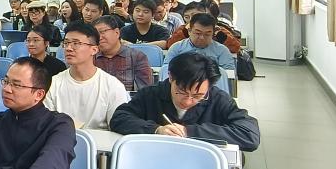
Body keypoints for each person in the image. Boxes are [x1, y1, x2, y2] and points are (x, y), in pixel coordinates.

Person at [110, 52, 260, 151]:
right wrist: (156, 129)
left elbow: (249, 135)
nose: (188, 101)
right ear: (170, 77)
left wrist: (189, 131)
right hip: (156, 160)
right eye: (181, 92)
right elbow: (119, 118)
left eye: (198, 95)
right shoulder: (152, 94)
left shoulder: (218, 99)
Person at [44, 21, 128, 130]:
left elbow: (119, 125)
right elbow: (47, 125)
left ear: (94, 49)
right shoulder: (53, 84)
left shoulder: (113, 86)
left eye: (76, 43)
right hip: (61, 138)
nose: (68, 48)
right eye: (66, 43)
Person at [93, 16, 153, 92]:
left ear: (117, 32)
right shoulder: (90, 57)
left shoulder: (137, 57)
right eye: (96, 34)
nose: (99, 37)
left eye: (102, 32)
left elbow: (145, 91)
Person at [165, 13, 236, 70]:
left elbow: (229, 74)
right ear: (189, 31)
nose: (202, 38)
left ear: (213, 33)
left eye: (207, 34)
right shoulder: (177, 48)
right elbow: (166, 70)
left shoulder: (222, 51)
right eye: (198, 33)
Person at [167, 2, 241, 54]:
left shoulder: (217, 28)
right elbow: (170, 45)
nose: (190, 19)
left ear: (204, 14)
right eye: (186, 17)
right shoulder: (183, 29)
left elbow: (236, 47)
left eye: (194, 15)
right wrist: (186, 32)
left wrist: (220, 35)